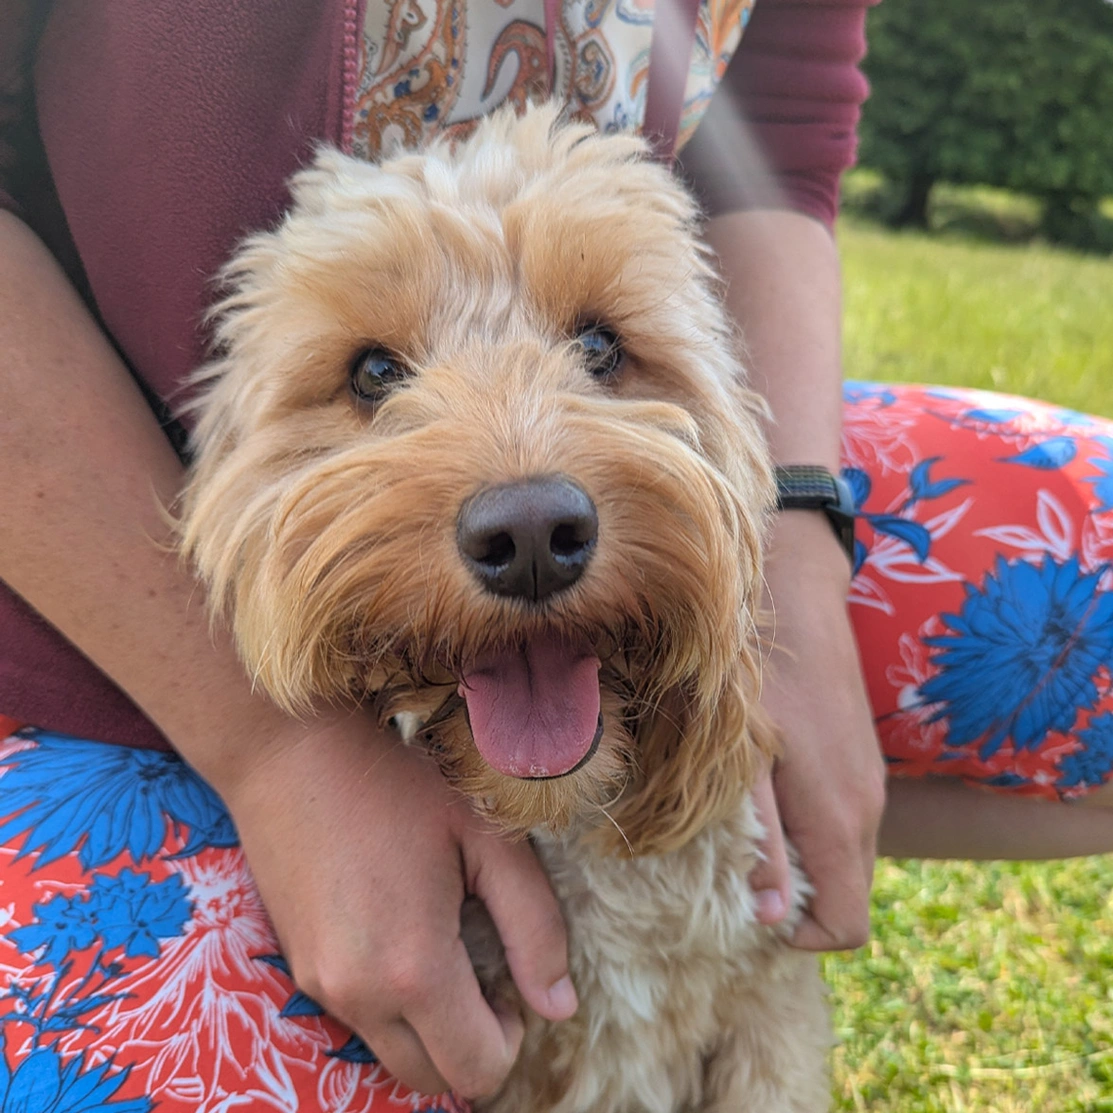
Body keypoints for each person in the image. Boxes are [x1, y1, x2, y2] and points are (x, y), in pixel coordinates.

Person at [2, 1, 1113, 1109]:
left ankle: (728, 805)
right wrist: (267, 747)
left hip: (722, 462)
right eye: (376, 380)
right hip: (93, 555)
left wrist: (794, 545)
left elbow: (778, 127)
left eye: (596, 350)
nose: (518, 490)